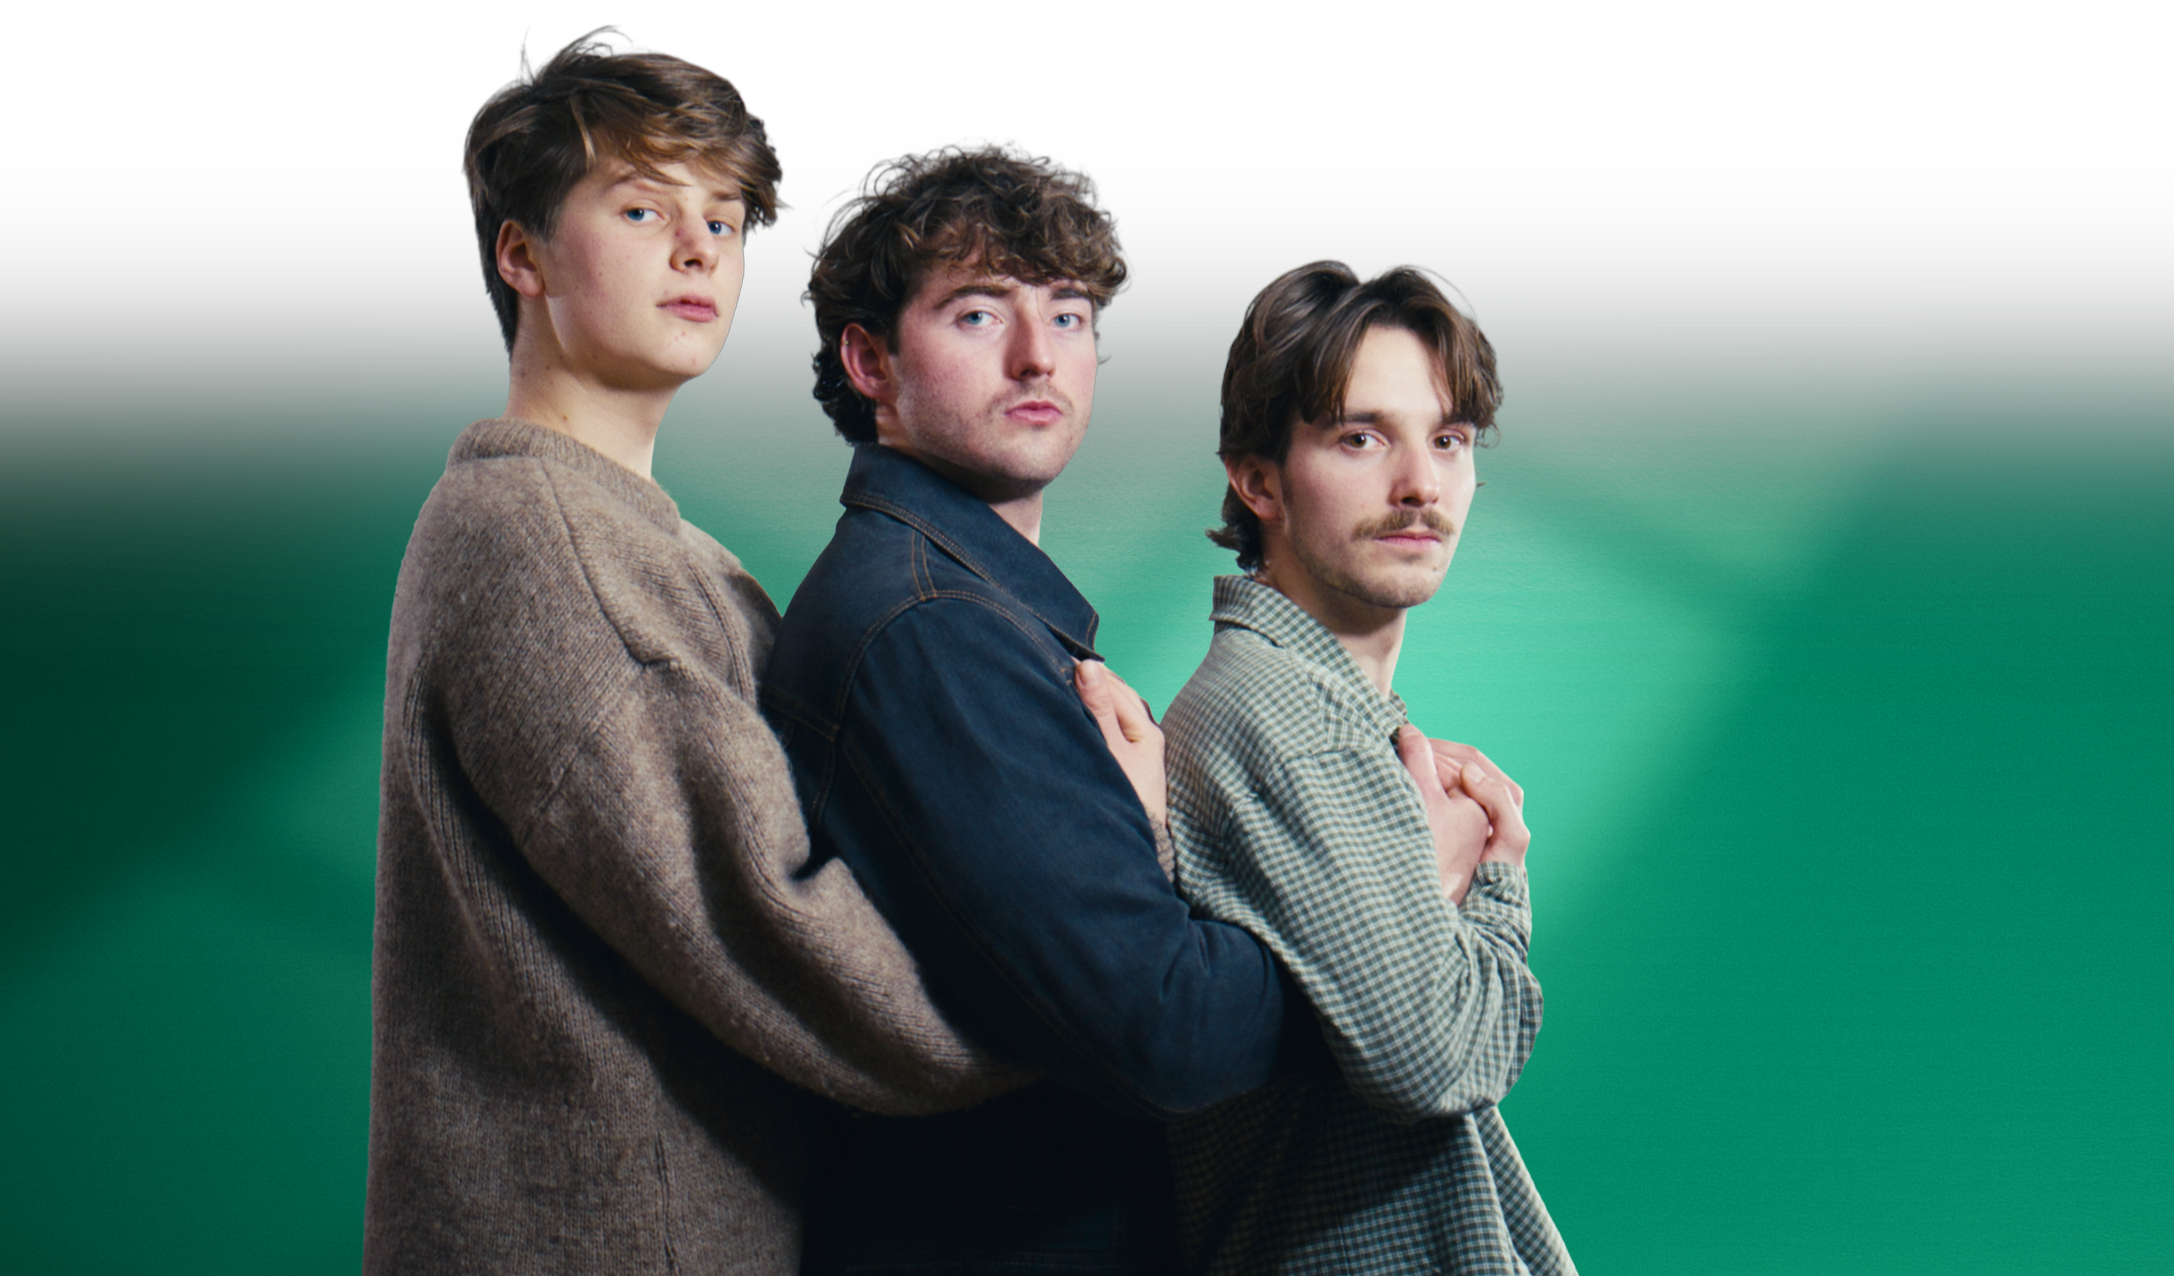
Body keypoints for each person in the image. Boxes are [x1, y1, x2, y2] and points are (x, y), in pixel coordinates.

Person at [366, 39, 1146, 1274]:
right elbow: (770, 928)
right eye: (641, 210)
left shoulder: (666, 552)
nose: (698, 251)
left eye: (723, 221)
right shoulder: (539, 541)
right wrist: (1087, 996)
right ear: (521, 253)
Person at [761, 146, 1322, 1276]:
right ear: (869, 359)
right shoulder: (931, 629)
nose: (1037, 357)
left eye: (1067, 314)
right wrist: (1400, 908)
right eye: (977, 315)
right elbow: (1171, 1030)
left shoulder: (968, 604)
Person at [1159, 261, 1571, 1274]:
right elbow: (1438, 1057)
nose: (1420, 485)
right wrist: (1491, 880)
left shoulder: (1338, 716)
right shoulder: (1281, 715)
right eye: (1360, 438)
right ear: (1258, 479)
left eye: (1448, 440)